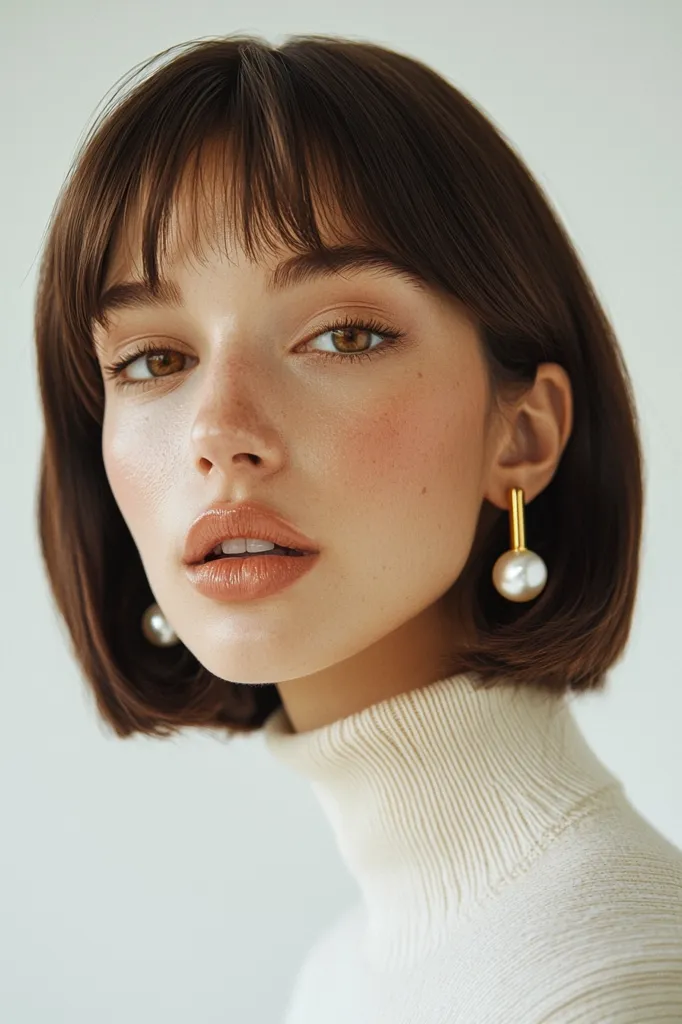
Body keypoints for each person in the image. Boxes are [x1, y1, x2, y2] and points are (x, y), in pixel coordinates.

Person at [33, 32, 682, 1023]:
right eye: (154, 359)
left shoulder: (609, 984)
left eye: (341, 335)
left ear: (521, 433)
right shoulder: (344, 972)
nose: (219, 434)